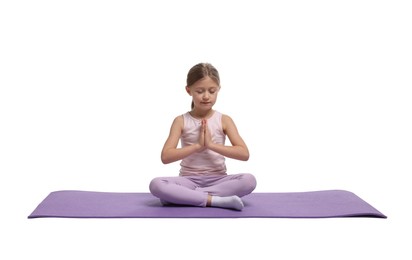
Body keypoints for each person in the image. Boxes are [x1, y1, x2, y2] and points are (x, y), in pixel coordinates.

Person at [149, 62, 257, 211]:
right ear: (189, 90)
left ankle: (185, 197)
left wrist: (211, 145)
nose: (206, 96)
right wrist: (198, 146)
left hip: (219, 180)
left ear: (218, 90)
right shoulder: (181, 121)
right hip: (187, 180)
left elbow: (244, 154)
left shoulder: (224, 120)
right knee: (156, 184)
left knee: (249, 180)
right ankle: (216, 200)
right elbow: (166, 156)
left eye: (212, 91)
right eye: (200, 91)